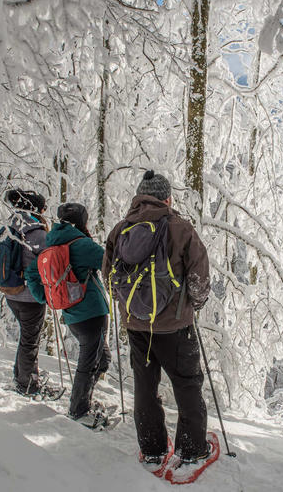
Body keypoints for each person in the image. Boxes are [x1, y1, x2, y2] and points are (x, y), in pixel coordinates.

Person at [102, 170, 211, 467]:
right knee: (187, 384)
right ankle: (191, 450)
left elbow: (109, 278)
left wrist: (129, 306)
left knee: (145, 385)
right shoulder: (180, 228)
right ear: (167, 199)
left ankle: (152, 449)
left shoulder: (120, 230)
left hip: (136, 324)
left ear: (139, 198)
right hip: (175, 326)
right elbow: (199, 277)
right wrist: (194, 305)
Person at [26, 203, 112, 428]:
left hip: (72, 315)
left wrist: (46, 296)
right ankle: (78, 410)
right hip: (92, 312)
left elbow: (32, 272)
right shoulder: (82, 244)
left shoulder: (52, 243)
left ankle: (83, 401)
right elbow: (110, 264)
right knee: (90, 362)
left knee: (102, 360)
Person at [2, 189, 49, 396]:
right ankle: (28, 384)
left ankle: (21, 376)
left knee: (26, 337)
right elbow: (49, 260)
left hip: (11, 292)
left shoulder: (10, 227)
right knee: (31, 340)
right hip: (31, 296)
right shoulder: (36, 233)